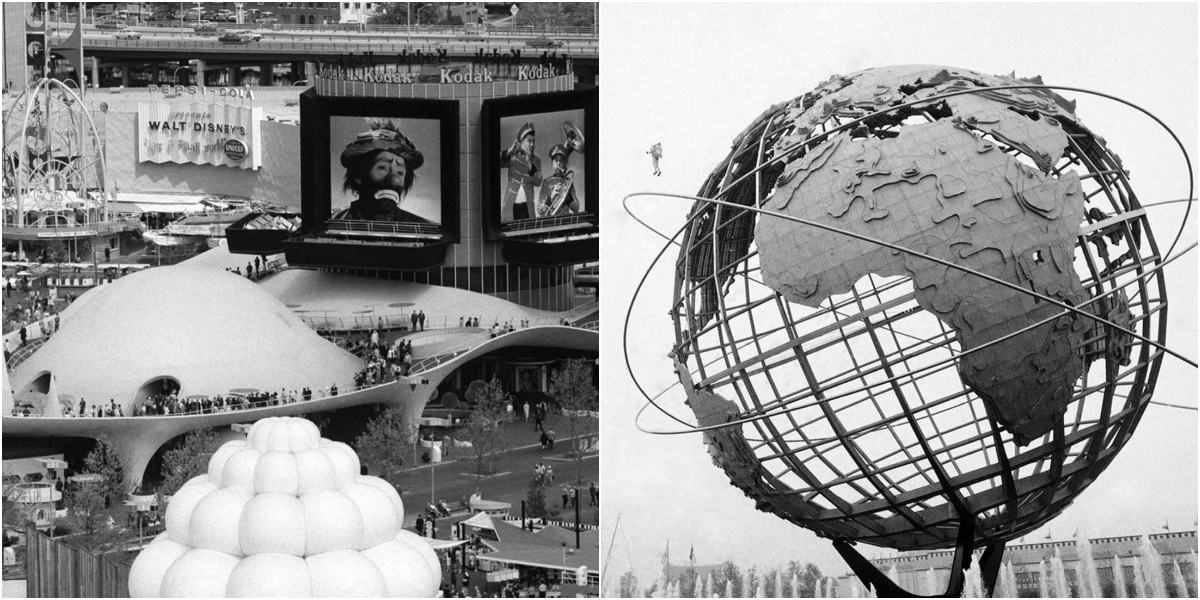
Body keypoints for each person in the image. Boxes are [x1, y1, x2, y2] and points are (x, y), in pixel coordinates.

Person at [334, 118, 429, 222]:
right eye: (382, 168)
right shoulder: (333, 220)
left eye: (400, 172)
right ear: (359, 175)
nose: (394, 180)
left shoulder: (424, 227)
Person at [499, 122, 542, 221]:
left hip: (527, 209)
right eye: (529, 141)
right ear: (521, 142)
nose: (532, 144)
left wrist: (529, 160)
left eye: (533, 141)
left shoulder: (536, 161)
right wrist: (509, 150)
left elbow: (538, 181)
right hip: (511, 207)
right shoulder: (513, 157)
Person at [537, 143, 581, 217]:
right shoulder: (546, 181)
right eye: (556, 160)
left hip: (565, 220)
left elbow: (576, 208)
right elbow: (540, 210)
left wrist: (568, 197)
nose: (558, 163)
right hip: (550, 222)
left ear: (564, 164)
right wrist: (550, 197)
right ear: (552, 163)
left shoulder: (568, 182)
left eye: (561, 160)